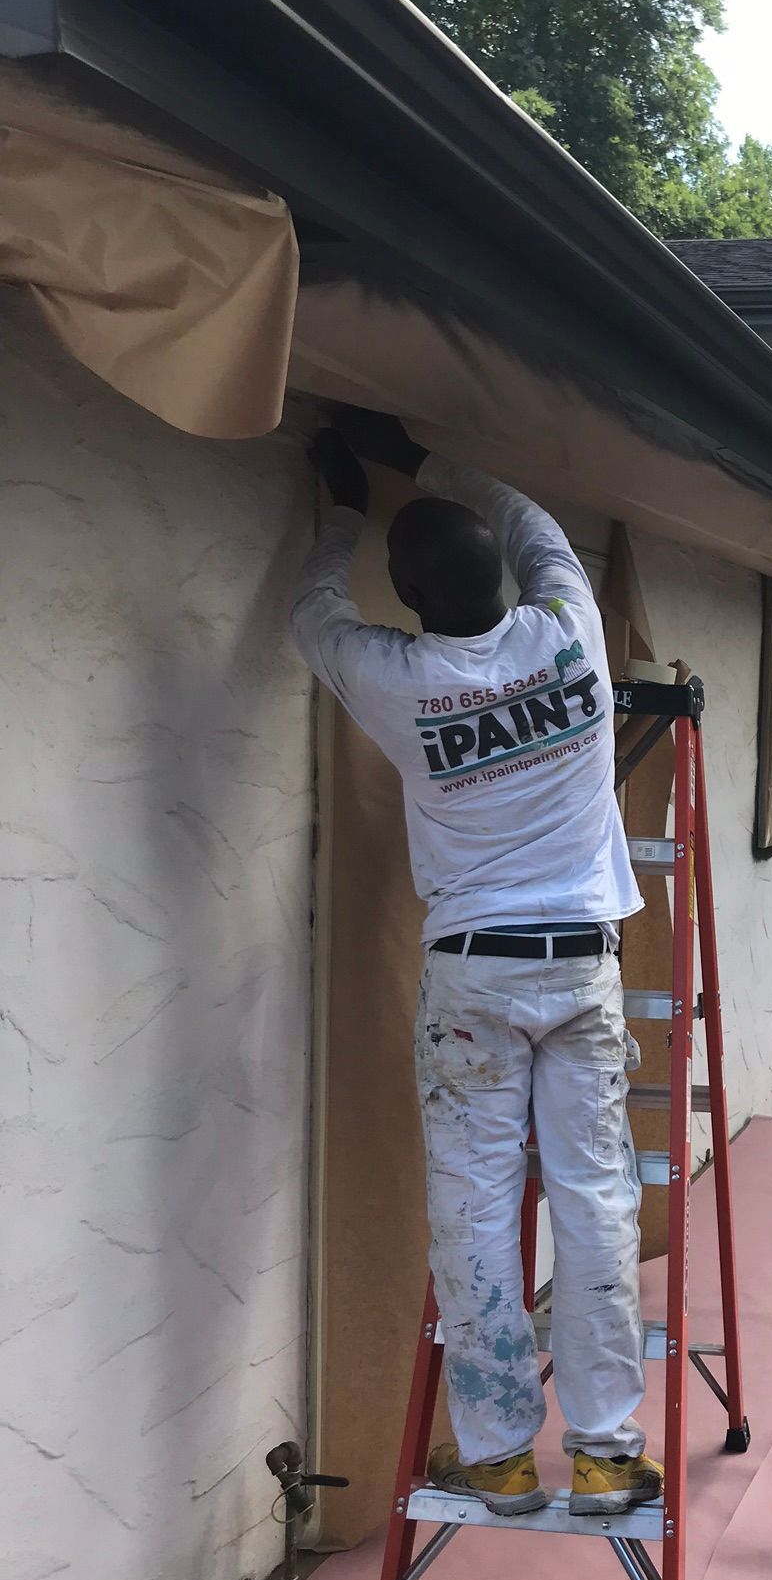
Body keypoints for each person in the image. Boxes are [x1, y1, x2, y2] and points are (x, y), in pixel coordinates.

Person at [292, 409, 661, 1519]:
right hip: (582, 966)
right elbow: (538, 521)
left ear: (408, 600)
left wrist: (344, 511)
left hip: (474, 981)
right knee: (596, 1197)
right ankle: (603, 1451)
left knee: (473, 1206)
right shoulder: (570, 628)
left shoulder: (395, 675)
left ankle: (497, 1454)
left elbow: (313, 617)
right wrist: (415, 458)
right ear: (502, 574)